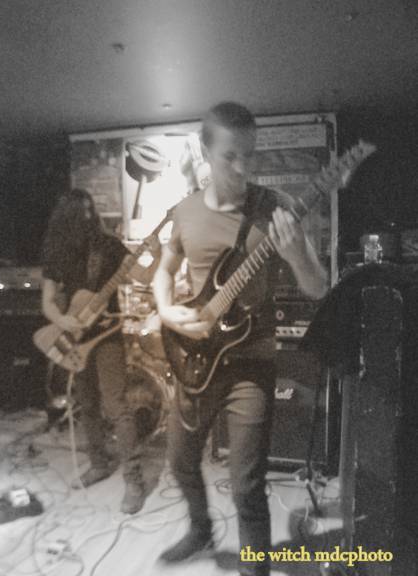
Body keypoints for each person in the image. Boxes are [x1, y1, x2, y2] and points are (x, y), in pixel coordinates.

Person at [153, 102, 328, 575]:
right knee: (180, 461)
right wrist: (166, 310)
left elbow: (318, 288)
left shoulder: (276, 208)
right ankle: (201, 530)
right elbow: (164, 272)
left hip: (252, 363)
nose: (242, 167)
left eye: (250, 155)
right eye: (230, 156)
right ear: (205, 151)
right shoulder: (185, 212)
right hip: (196, 356)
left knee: (247, 485)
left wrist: (296, 255)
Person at [42, 188, 157, 514]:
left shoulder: (108, 246)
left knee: (116, 405)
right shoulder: (55, 250)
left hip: (107, 336)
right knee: (87, 404)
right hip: (75, 339)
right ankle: (98, 463)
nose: (89, 216)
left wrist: (159, 253)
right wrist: (62, 319)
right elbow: (47, 302)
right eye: (82, 211)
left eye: (90, 209)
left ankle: (133, 480)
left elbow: (144, 276)